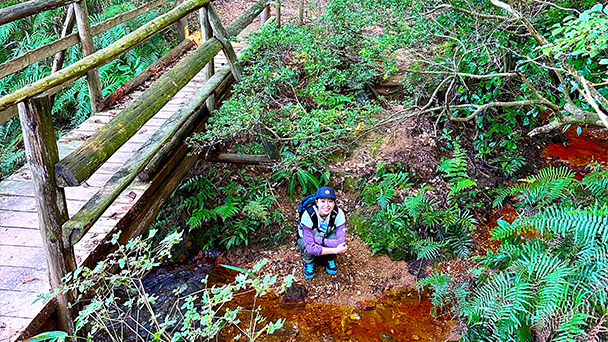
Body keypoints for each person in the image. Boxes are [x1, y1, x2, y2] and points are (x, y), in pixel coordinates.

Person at [297, 186, 348, 279]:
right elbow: (310, 247)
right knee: (308, 247)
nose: (327, 205)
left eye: (330, 201)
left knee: (334, 239)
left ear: (334, 203)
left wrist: (318, 240)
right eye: (322, 201)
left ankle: (329, 258)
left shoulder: (338, 214)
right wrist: (336, 250)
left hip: (321, 236)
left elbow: (341, 241)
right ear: (317, 202)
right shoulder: (308, 214)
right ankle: (309, 261)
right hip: (306, 239)